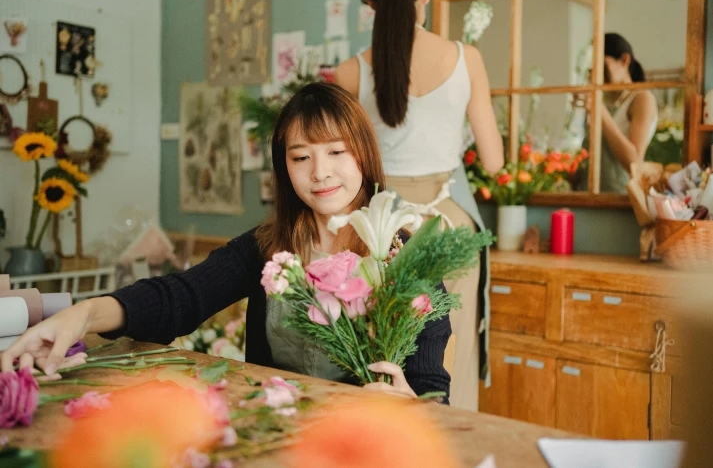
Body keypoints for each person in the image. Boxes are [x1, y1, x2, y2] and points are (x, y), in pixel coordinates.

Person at [1, 83, 452, 402]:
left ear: (365, 156)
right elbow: (179, 297)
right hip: (275, 433)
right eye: (301, 156)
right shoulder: (268, 247)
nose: (320, 172)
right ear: (284, 168)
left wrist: (411, 403)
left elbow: (433, 392)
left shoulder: (407, 257)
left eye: (336, 151)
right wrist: (81, 315)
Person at [335, 0, 503, 411]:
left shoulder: (351, 72)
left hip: (380, 229)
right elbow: (494, 161)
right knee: (451, 351)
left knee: (379, 348)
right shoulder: (467, 59)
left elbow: (337, 167)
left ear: (371, 3)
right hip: (449, 224)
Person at [591, 32, 658, 193]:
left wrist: (600, 112)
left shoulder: (642, 99)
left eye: (602, 65)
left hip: (617, 198)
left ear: (624, 60)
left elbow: (634, 164)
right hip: (589, 195)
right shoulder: (607, 101)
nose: (596, 73)